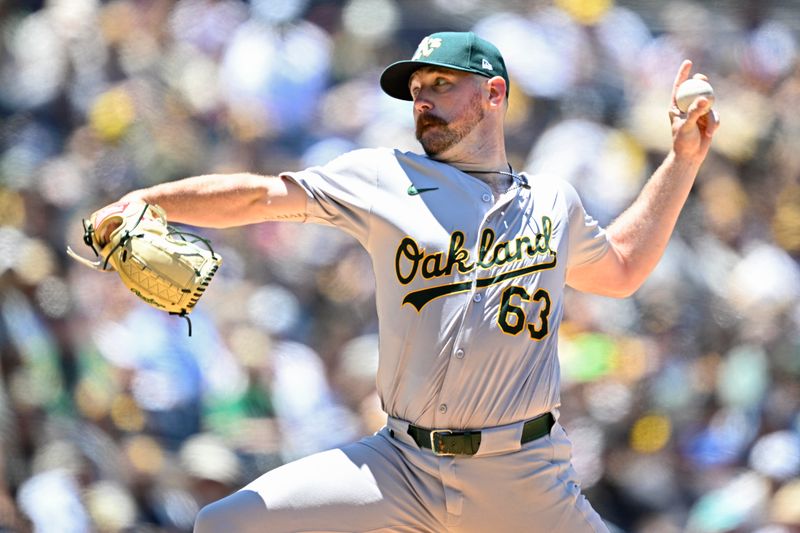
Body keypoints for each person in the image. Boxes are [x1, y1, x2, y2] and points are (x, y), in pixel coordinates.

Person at [96, 31, 719, 533]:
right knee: (225, 524)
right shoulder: (381, 178)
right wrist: (150, 200)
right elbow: (263, 195)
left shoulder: (554, 202)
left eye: (442, 85)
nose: (423, 98)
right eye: (417, 88)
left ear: (494, 94)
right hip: (401, 465)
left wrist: (683, 159)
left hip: (521, 475)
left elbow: (624, 267)